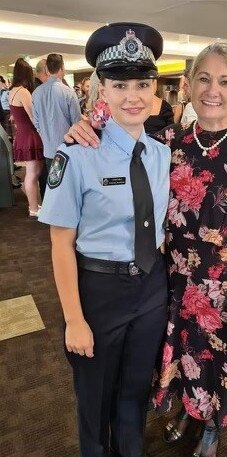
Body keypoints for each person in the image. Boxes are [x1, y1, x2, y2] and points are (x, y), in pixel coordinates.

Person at [65, 41, 227, 456]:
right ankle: (187, 411)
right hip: (170, 283)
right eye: (204, 78)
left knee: (220, 365)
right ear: (188, 85)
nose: (213, 90)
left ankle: (212, 428)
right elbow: (116, 125)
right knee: (178, 358)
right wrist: (85, 125)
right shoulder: (167, 141)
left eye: (225, 81)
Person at [38, 22, 171, 457]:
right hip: (98, 291)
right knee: (94, 401)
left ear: (155, 92)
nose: (132, 95)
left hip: (151, 286)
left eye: (142, 83)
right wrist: (74, 319)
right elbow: (61, 243)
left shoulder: (162, 153)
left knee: (134, 394)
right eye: (119, 84)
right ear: (102, 93)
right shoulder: (76, 155)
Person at [32, 53, 81, 199]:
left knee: (52, 183)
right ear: (62, 68)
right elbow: (76, 122)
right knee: (68, 185)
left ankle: (52, 215)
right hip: (67, 148)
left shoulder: (36, 93)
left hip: (48, 148)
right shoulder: (68, 92)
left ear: (47, 69)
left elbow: (37, 123)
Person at [9, 58, 44, 217]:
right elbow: (33, 116)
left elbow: (15, 116)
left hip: (23, 135)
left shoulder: (12, 91)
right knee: (32, 174)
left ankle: (34, 204)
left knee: (34, 172)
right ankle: (33, 208)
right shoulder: (23, 91)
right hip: (29, 135)